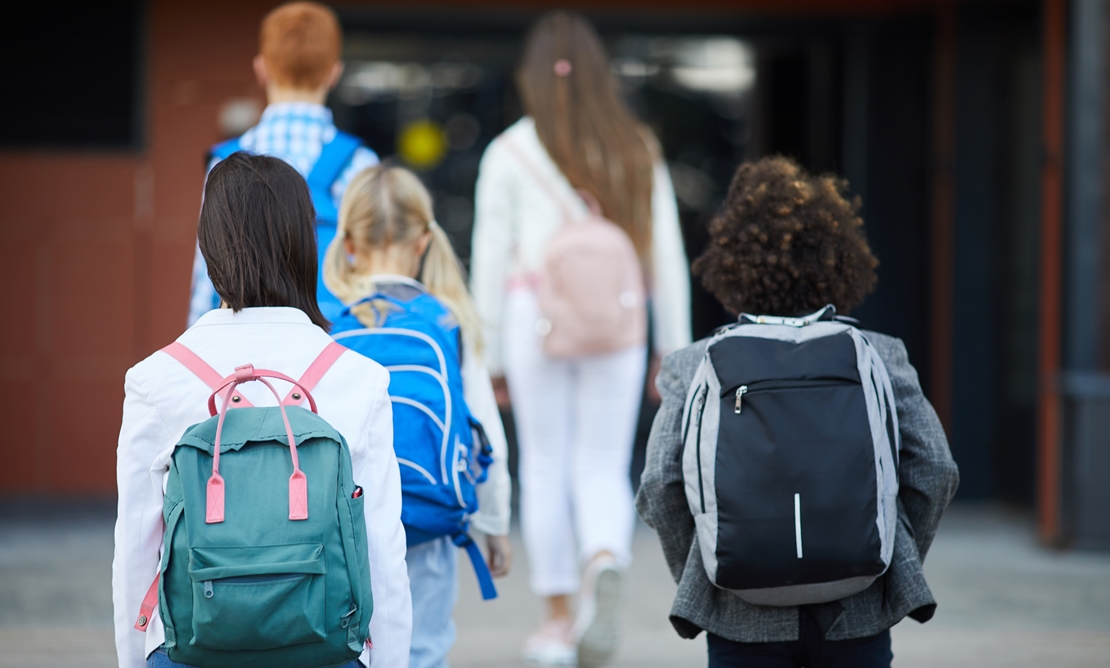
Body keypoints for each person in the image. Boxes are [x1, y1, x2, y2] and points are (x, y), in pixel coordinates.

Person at [635, 156, 960, 668]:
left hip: (741, 615)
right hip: (856, 614)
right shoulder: (880, 352)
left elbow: (659, 482)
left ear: (730, 264)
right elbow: (936, 470)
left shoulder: (692, 364)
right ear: (843, 261)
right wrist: (884, 562)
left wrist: (707, 575)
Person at [113, 153, 412, 668]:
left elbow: (135, 550)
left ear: (210, 247)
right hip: (325, 652)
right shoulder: (359, 378)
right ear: (305, 244)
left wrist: (132, 657)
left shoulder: (154, 379)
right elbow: (382, 555)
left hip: (191, 651)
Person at [469, 10, 692, 667]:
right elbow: (667, 257)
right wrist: (671, 350)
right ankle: (605, 558)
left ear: (532, 76)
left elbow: (489, 260)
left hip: (533, 318)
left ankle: (558, 622)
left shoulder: (509, 151)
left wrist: (492, 356)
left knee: (544, 464)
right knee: (601, 460)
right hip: (617, 326)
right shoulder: (635, 146)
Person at [323, 165, 514, 668]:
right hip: (428, 515)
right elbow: (485, 433)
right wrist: (493, 523)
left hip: (349, 523)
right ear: (424, 240)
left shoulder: (330, 325)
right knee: (425, 647)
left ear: (349, 244)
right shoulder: (449, 319)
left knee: (351, 647)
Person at [189, 1, 379, 326]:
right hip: (332, 349)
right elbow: (372, 274)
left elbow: (205, 280)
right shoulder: (360, 162)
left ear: (261, 69)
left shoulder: (226, 163)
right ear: (334, 72)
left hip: (248, 359)